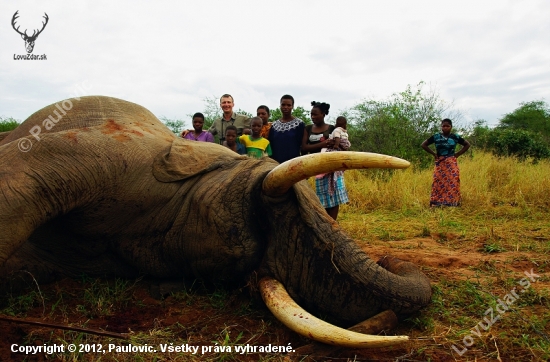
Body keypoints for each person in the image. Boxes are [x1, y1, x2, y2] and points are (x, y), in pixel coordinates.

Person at [302, 101, 348, 220]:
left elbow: (341, 144)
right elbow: (304, 147)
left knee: (334, 196)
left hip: (331, 167)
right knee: (322, 197)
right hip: (316, 168)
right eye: (311, 114)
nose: (313, 117)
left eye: (316, 114)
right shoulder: (308, 128)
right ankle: (326, 223)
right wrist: (323, 143)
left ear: (323, 114)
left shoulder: (332, 128)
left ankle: (332, 224)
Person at [421, 118, 471, 207]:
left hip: (451, 162)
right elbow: (423, 145)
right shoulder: (436, 136)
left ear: (451, 127)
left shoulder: (455, 137)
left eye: (447, 126)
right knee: (438, 181)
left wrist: (458, 154)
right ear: (441, 127)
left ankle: (452, 202)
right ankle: (436, 202)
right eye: (443, 126)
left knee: (453, 180)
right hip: (440, 162)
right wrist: (434, 154)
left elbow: (467, 144)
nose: (445, 128)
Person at [181, 94, 250, 144]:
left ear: (233, 104)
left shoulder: (244, 119)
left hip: (239, 153)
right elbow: (206, 133)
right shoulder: (217, 121)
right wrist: (189, 130)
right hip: (222, 153)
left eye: (229, 102)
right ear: (220, 105)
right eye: (224, 102)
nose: (226, 104)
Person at [268, 95, 305, 164]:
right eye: (283, 105)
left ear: (292, 106)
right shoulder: (274, 125)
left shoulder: (299, 124)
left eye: (288, 105)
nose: (286, 107)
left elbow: (302, 145)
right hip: (275, 164)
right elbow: (271, 145)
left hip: (293, 163)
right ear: (280, 106)